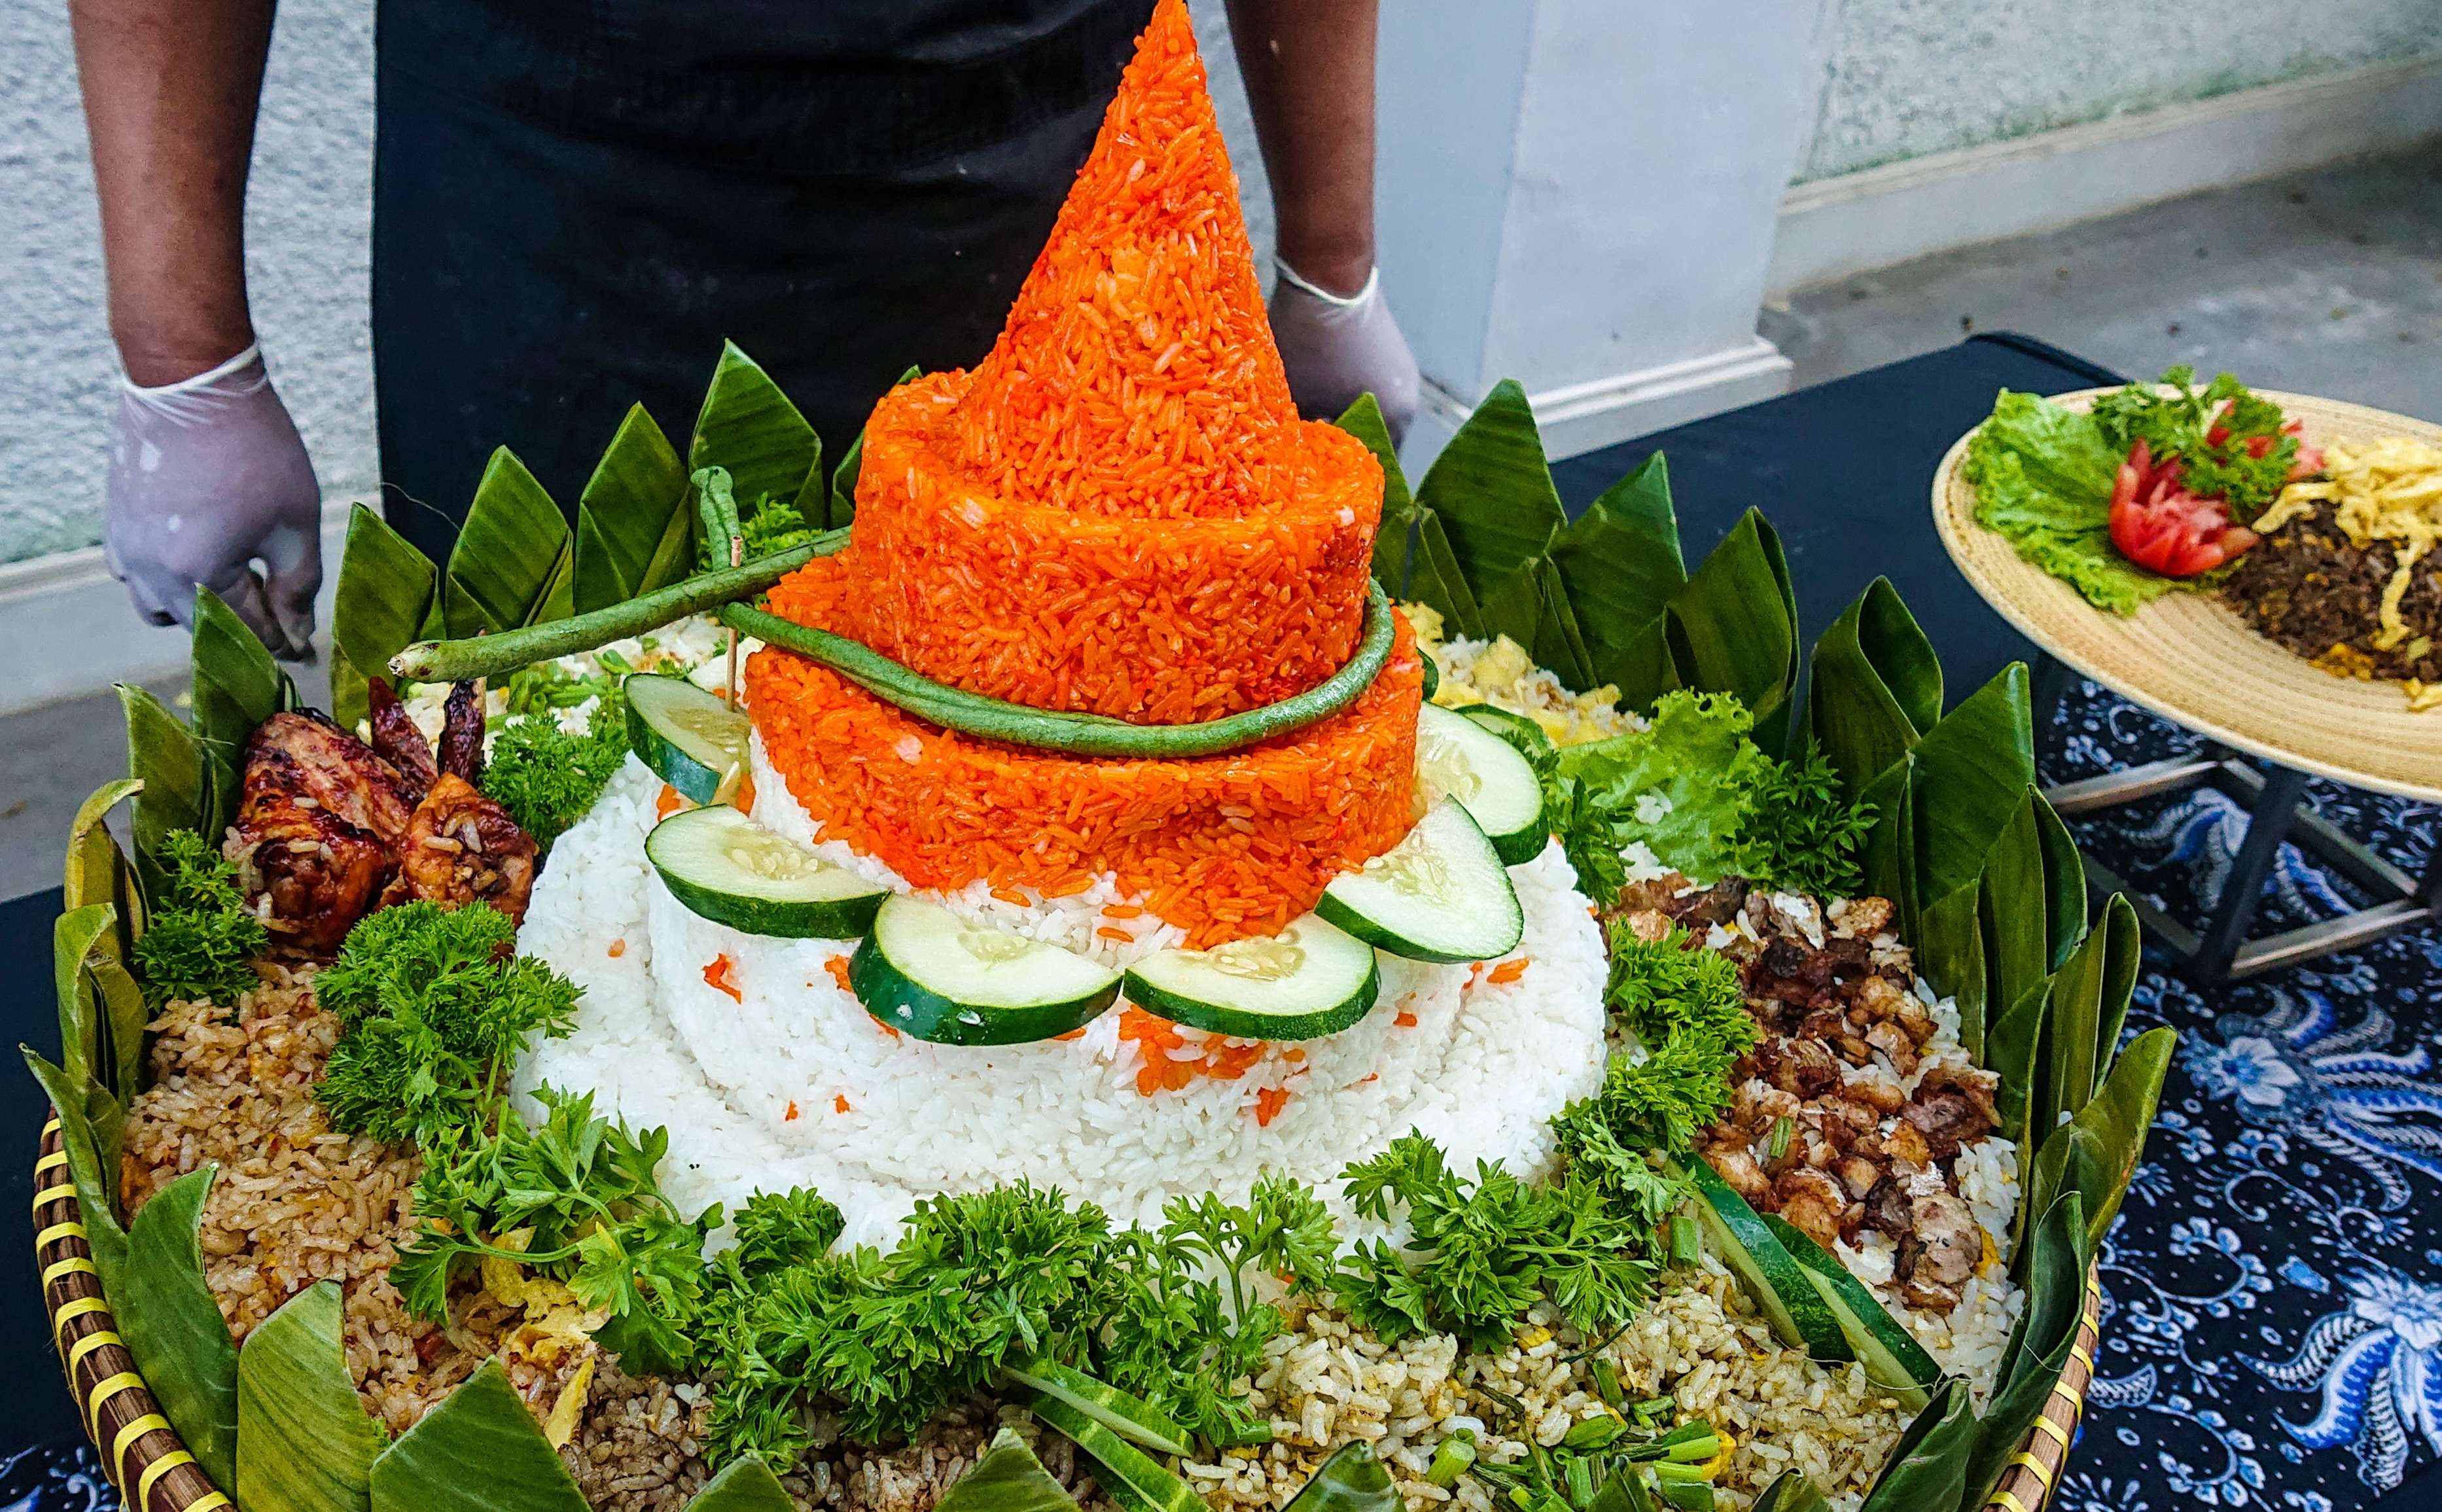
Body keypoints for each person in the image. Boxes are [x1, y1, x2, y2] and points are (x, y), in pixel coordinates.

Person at [73, 0, 1421, 659]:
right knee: (540, 824)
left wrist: (1331, 263)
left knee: (1062, 760)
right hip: (552, 169)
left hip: (1051, 168)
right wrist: (185, 362)